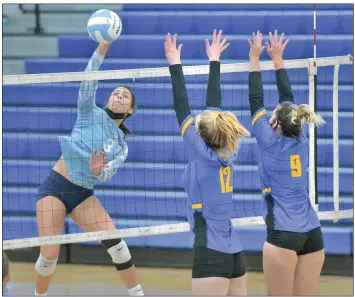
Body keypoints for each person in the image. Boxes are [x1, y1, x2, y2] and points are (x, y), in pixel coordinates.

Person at [34, 43, 143, 296]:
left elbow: (106, 174)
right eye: (116, 93)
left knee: (118, 246)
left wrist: (97, 171)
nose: (119, 96)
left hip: (83, 195)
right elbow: (89, 74)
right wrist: (103, 46)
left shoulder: (121, 146)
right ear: (108, 100)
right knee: (50, 254)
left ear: (130, 110)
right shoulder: (88, 112)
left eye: (125, 96)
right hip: (56, 187)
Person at [165, 30, 250, 296]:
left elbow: (182, 104)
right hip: (235, 254)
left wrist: (174, 64)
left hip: (210, 252)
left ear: (200, 136)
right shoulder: (228, 151)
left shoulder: (200, 154)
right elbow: (215, 110)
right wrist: (214, 60)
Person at [248, 30, 325, 295]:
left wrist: (255, 58)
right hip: (313, 233)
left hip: (283, 234)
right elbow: (286, 100)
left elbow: (255, 99)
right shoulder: (301, 137)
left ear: (275, 123)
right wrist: (277, 59)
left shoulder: (268, 141)